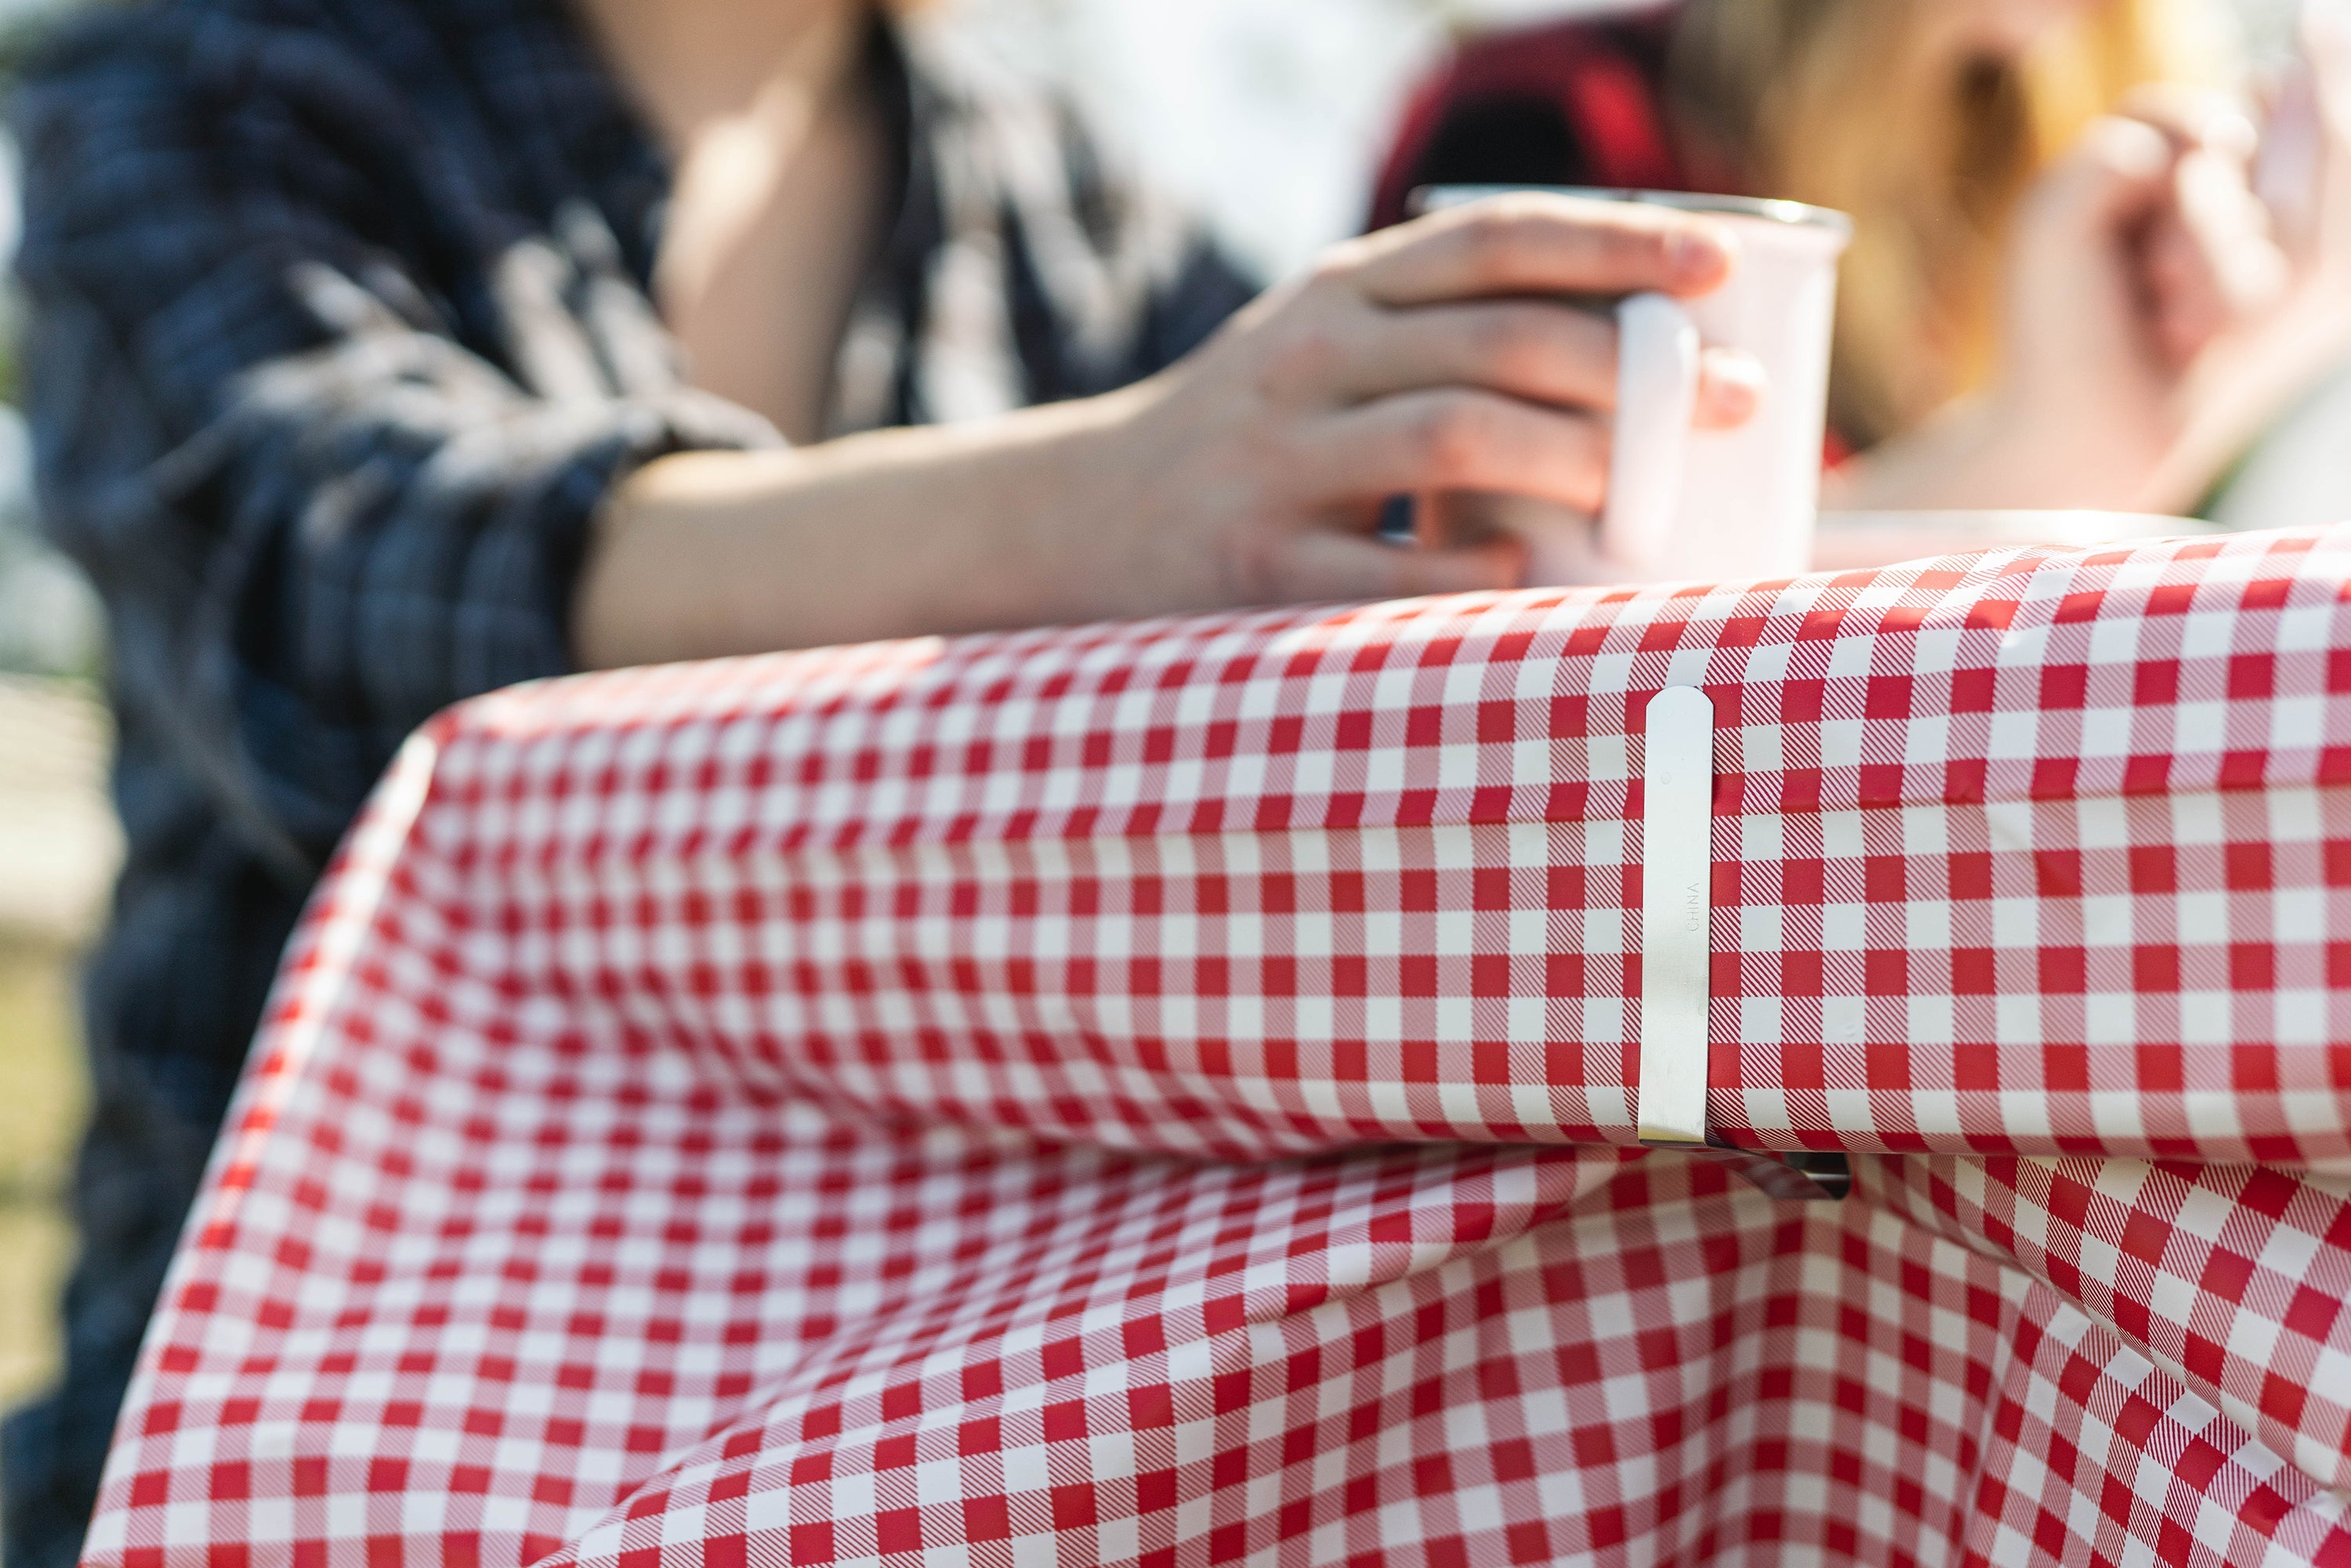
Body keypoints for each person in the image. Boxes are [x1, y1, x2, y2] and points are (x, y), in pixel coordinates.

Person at [0, 1, 1779, 1563]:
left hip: (952, 1412)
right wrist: (1093, 499)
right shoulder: (209, 86)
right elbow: (342, 577)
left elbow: (1402, 578)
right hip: (317, 1404)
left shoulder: (1047, 183)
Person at [1369, 0, 2351, 521]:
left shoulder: (2040, 146)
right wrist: (2062, 445)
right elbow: (1577, 628)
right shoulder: (1552, 122)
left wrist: (2262, 347)